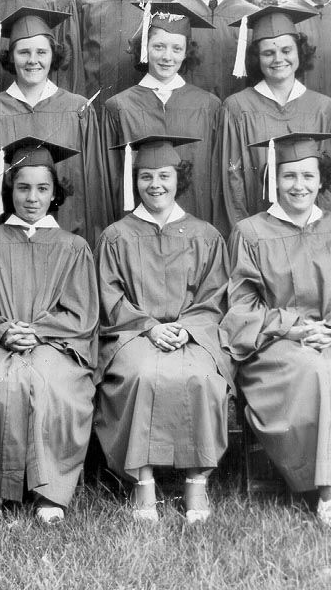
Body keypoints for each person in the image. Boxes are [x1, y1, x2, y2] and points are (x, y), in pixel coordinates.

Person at [222, 132, 331, 530]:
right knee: (315, 372)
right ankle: (327, 490)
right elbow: (242, 308)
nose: (299, 186)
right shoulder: (251, 232)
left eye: (308, 177)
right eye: (290, 176)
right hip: (275, 345)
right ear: (274, 181)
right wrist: (294, 330)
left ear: (321, 180)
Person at [0, 138, 99, 524]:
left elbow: (81, 312)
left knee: (50, 385)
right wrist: (1, 330)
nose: (32, 198)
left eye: (42, 188)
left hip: (54, 344)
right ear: (8, 191)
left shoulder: (74, 247)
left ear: (55, 194)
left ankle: (49, 493)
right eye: (23, 187)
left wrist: (37, 331)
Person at [95, 135, 230, 523]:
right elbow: (110, 297)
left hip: (193, 333)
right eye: (146, 176)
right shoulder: (116, 236)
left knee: (202, 377)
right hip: (133, 335)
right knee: (141, 375)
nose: (155, 184)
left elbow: (215, 295)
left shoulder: (205, 235)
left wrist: (187, 328)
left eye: (164, 176)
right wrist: (150, 327)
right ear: (133, 181)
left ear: (178, 179)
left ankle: (196, 482)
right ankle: (144, 483)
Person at [0, 7, 110, 246]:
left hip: (69, 243)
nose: (33, 60)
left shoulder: (79, 110)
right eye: (24, 52)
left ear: (54, 55)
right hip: (7, 246)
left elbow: (93, 186)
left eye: (41, 51)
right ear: (10, 57)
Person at [102, 1, 226, 233]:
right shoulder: (118, 107)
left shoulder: (209, 106)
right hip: (136, 234)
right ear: (144, 48)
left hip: (196, 231)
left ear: (186, 52)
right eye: (158, 47)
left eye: (176, 49)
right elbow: (111, 179)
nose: (167, 57)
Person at [221, 5, 331, 226]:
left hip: (313, 233)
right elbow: (231, 181)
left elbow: (330, 186)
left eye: (286, 50)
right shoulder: (237, 107)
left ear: (299, 52)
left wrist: (322, 232)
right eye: (268, 53)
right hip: (258, 233)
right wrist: (247, 234)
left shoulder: (324, 108)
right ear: (257, 58)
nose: (278, 59)